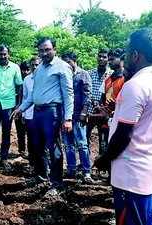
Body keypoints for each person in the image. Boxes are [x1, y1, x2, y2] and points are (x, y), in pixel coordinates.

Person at [94, 28, 152, 225]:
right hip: (145, 168)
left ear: (135, 55)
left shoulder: (136, 86)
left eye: (127, 53)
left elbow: (124, 135)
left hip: (131, 174)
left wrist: (104, 159)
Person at [13, 37, 74, 196]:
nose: (45, 53)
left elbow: (68, 94)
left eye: (47, 49)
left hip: (52, 112)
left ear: (55, 49)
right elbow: (33, 94)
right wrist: (21, 108)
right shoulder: (39, 68)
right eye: (41, 50)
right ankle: (41, 176)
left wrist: (68, 118)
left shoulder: (62, 67)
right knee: (37, 146)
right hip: (37, 111)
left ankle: (56, 183)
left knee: (54, 147)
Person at [60, 52, 93, 184]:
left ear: (75, 61)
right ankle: (71, 169)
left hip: (79, 114)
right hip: (66, 115)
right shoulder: (63, 75)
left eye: (69, 62)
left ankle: (86, 171)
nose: (67, 65)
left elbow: (87, 95)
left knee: (82, 144)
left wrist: (84, 113)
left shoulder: (83, 74)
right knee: (68, 145)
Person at [86, 48, 112, 156]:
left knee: (104, 139)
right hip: (90, 111)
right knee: (85, 137)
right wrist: (93, 102)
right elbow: (86, 90)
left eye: (104, 57)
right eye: (99, 56)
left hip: (104, 113)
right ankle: (86, 163)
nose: (101, 59)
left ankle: (102, 165)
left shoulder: (112, 74)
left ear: (108, 59)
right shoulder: (89, 73)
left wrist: (101, 106)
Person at [21, 57, 40, 171]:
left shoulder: (45, 78)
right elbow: (25, 97)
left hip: (41, 114)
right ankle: (32, 163)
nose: (35, 67)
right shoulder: (27, 79)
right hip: (29, 113)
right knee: (31, 139)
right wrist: (23, 114)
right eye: (33, 65)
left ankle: (41, 165)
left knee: (41, 140)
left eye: (37, 65)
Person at [15, 61, 31, 157]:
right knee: (20, 131)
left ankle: (30, 151)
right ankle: (21, 150)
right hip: (18, 108)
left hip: (29, 109)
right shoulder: (18, 81)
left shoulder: (33, 80)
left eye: (27, 70)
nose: (25, 72)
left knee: (29, 132)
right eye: (23, 70)